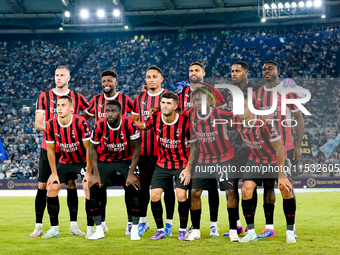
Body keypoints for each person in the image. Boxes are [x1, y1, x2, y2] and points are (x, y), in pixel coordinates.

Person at [30, 66, 89, 238]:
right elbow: (38, 123)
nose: (58, 78)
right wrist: (54, 128)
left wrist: (74, 124)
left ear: (68, 77)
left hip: (69, 150)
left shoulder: (77, 97)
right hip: (48, 148)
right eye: (56, 75)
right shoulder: (44, 96)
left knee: (71, 185)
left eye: (62, 75)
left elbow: (90, 111)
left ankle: (73, 226)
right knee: (43, 186)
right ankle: (39, 226)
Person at [233, 99, 296, 243]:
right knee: (246, 189)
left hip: (276, 159)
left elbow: (279, 148)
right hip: (255, 159)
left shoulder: (265, 122)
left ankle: (290, 231)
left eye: (244, 106)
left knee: (285, 189)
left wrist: (281, 175)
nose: (240, 110)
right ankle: (251, 232)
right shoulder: (236, 120)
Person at [252, 61, 303, 238]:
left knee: (286, 186)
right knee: (267, 186)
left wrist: (298, 145)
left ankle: (292, 228)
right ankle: (269, 227)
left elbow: (299, 118)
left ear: (278, 71)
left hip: (285, 148)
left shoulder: (286, 92)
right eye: (264, 69)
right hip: (265, 150)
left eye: (270, 69)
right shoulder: (257, 94)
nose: (266, 71)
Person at [82, 70, 134, 235]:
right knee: (98, 187)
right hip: (101, 153)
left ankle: (131, 224)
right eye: (104, 80)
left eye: (109, 80)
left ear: (115, 82)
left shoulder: (126, 100)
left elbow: (134, 120)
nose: (106, 83)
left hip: (123, 153)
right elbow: (84, 117)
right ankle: (101, 223)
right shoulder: (96, 100)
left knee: (130, 188)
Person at [183, 88, 238, 242]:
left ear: (210, 101)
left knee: (230, 193)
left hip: (225, 158)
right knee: (194, 192)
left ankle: (233, 229)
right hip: (204, 160)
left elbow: (239, 116)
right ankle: (196, 230)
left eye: (202, 99)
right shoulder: (190, 114)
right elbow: (174, 112)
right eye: (196, 100)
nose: (199, 103)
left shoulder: (220, 113)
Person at [135, 92, 191, 241]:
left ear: (176, 106)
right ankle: (160, 230)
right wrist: (126, 121)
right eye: (163, 103)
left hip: (181, 164)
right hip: (162, 164)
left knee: (181, 195)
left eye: (168, 103)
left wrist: (189, 168)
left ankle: (182, 230)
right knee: (154, 195)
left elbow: (195, 145)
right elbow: (144, 126)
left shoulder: (185, 122)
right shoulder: (155, 118)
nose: (165, 106)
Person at [131, 66, 175, 237]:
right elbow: (133, 121)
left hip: (164, 152)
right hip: (144, 151)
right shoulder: (139, 98)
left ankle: (169, 223)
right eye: (148, 76)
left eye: (154, 77)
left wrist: (149, 124)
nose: (151, 79)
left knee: (167, 189)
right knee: (143, 189)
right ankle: (143, 222)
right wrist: (148, 123)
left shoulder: (168, 97)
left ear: (161, 79)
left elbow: (172, 119)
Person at [88, 100, 142, 240]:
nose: (109, 114)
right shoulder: (99, 124)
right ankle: (99, 229)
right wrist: (96, 173)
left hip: (125, 161)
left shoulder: (129, 124)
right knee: (93, 188)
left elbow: (137, 147)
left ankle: (134, 228)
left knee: (134, 188)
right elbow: (92, 148)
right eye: (107, 111)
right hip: (105, 161)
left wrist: (131, 173)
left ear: (120, 112)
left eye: (113, 111)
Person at [42, 95, 91, 238]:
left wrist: (88, 172)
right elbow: (50, 150)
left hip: (81, 161)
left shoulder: (80, 122)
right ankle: (54, 229)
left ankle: (89, 229)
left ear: (71, 108)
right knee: (52, 189)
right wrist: (54, 173)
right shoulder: (50, 124)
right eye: (58, 105)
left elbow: (89, 149)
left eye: (63, 105)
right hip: (65, 161)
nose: (60, 108)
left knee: (88, 187)